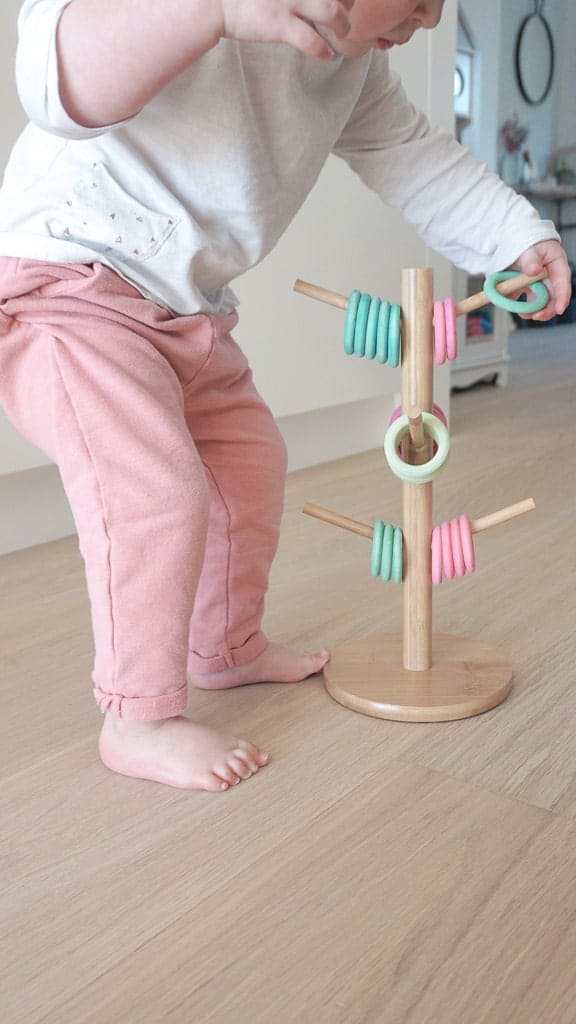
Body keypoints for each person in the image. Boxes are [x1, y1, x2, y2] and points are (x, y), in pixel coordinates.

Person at [0, 0, 570, 792]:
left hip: (189, 311)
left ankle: (224, 648)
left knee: (251, 465)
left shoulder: (355, 69)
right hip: (71, 288)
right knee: (155, 495)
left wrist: (518, 235)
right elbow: (58, 77)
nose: (432, 18)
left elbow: (413, 156)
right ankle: (138, 716)